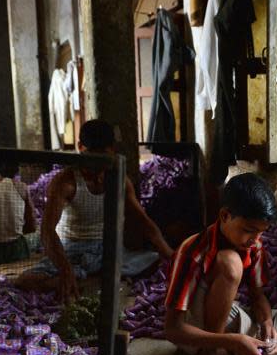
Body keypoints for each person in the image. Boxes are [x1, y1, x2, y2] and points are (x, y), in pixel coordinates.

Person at [164, 173, 277, 355]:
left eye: (261, 232)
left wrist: (267, 324)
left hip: (227, 312)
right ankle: (211, 351)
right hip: (196, 324)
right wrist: (233, 341)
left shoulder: (254, 245)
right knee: (231, 262)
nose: (254, 238)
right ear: (224, 216)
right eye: (248, 229)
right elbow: (172, 329)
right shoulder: (192, 251)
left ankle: (230, 344)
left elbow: (257, 297)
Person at [16, 119, 174, 302]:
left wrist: (169, 253)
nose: (97, 165)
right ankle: (87, 279)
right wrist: (65, 269)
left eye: (104, 156)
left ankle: (90, 280)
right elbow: (47, 231)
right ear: (80, 147)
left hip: (108, 249)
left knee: (154, 261)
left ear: (113, 150)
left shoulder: (119, 179)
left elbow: (142, 220)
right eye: (93, 156)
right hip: (73, 251)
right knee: (26, 281)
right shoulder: (65, 182)